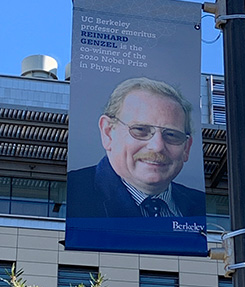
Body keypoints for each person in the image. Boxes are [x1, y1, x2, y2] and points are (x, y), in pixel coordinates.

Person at [67, 77, 205, 218]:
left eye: (171, 135)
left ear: (186, 148)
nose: (157, 146)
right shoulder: (73, 191)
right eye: (140, 130)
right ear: (108, 133)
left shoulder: (199, 206)